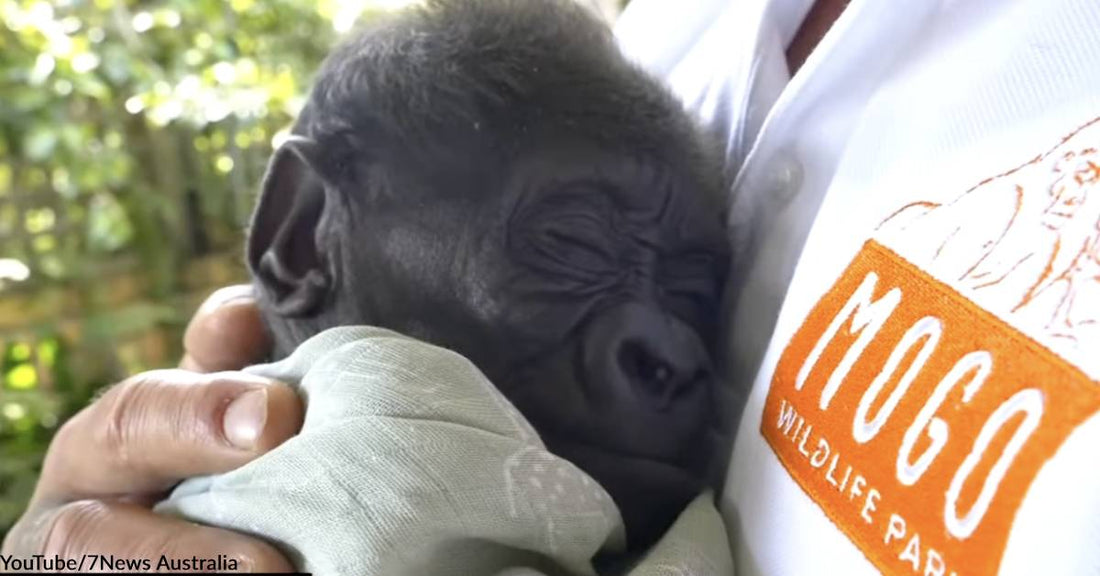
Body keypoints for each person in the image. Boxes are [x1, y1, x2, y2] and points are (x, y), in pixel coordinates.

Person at [6, 0, 1099, 573]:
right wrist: (85, 541)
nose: (669, 351)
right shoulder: (676, 31)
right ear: (301, 236)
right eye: (571, 245)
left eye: (693, 289)